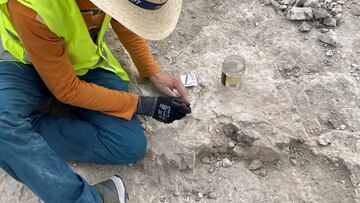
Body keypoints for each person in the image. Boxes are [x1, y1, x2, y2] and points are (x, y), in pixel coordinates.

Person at [0, 0, 190, 202]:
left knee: (128, 145)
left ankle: (21, 136)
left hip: (81, 64)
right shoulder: (31, 6)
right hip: (21, 64)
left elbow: (125, 19)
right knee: (2, 124)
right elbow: (67, 90)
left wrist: (153, 71)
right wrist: (144, 105)